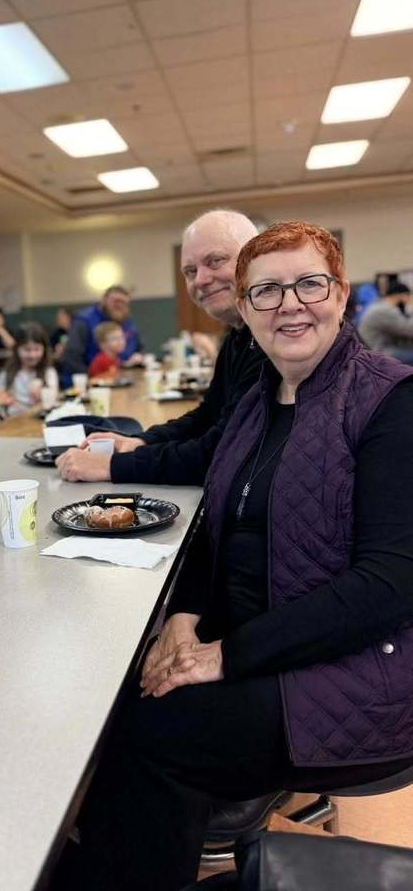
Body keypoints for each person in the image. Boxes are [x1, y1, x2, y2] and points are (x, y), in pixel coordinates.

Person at [56, 221, 413, 891]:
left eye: (309, 284)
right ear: (245, 312)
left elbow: (388, 587)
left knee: (156, 732)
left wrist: (223, 655)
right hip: (265, 645)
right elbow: (214, 526)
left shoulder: (390, 400)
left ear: (340, 295)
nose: (290, 305)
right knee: (123, 692)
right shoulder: (257, 402)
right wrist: (186, 617)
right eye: (267, 292)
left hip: (359, 671)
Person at [56, 209, 262, 483]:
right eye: (190, 271)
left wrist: (112, 466)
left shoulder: (271, 338)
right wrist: (139, 441)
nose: (200, 279)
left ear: (254, 258)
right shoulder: (238, 334)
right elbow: (207, 416)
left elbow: (221, 453)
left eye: (215, 261)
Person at [61, 286, 144, 376]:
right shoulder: (84, 321)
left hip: (122, 375)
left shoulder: (127, 321)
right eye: (116, 301)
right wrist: (92, 378)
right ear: (103, 300)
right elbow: (72, 356)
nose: (120, 305)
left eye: (124, 302)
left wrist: (137, 358)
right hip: (91, 379)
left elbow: (138, 347)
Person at [0, 322, 59, 417]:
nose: (32, 355)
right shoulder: (7, 373)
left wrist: (43, 392)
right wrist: (2, 400)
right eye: (27, 349)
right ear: (17, 349)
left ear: (44, 349)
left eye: (37, 349)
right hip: (14, 424)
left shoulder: (48, 372)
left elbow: (54, 399)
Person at [358, 280, 413, 363]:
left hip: (373, 349)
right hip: (377, 352)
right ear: (401, 296)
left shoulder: (379, 304)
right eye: (408, 297)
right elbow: (410, 330)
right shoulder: (385, 310)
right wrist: (410, 306)